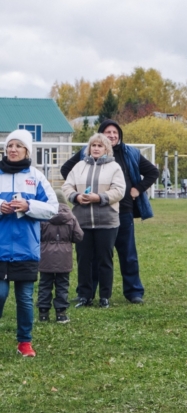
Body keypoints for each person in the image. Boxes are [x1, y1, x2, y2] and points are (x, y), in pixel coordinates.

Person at [61, 119, 158, 304]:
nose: (112, 136)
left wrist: (137, 189)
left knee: (127, 253)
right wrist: (80, 189)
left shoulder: (131, 153)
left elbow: (153, 172)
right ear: (100, 136)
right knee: (97, 254)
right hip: (92, 212)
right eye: (108, 132)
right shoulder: (86, 153)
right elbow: (66, 169)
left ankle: (133, 292)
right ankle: (89, 293)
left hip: (123, 210)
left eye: (115, 133)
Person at [0, 130, 58, 357]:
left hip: (26, 249)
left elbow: (52, 208)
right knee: (1, 294)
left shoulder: (36, 176)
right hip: (1, 249)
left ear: (27, 150)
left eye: (18, 146)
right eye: (9, 145)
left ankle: (24, 342)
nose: (12, 149)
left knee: (24, 299)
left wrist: (28, 206)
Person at [62, 133, 126, 308]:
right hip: (82, 222)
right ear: (89, 148)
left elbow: (119, 190)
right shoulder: (79, 166)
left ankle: (104, 296)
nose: (96, 148)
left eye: (100, 145)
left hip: (107, 222)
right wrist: (76, 196)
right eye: (93, 145)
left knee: (104, 260)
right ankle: (84, 295)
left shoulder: (114, 167)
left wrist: (100, 197)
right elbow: (67, 186)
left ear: (106, 148)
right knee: (84, 259)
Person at [37, 190, 84, 324]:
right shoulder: (71, 217)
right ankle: (61, 313)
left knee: (45, 284)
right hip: (64, 258)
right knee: (62, 285)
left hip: (45, 257)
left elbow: (36, 235)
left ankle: (43, 313)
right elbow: (79, 236)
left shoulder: (43, 216)